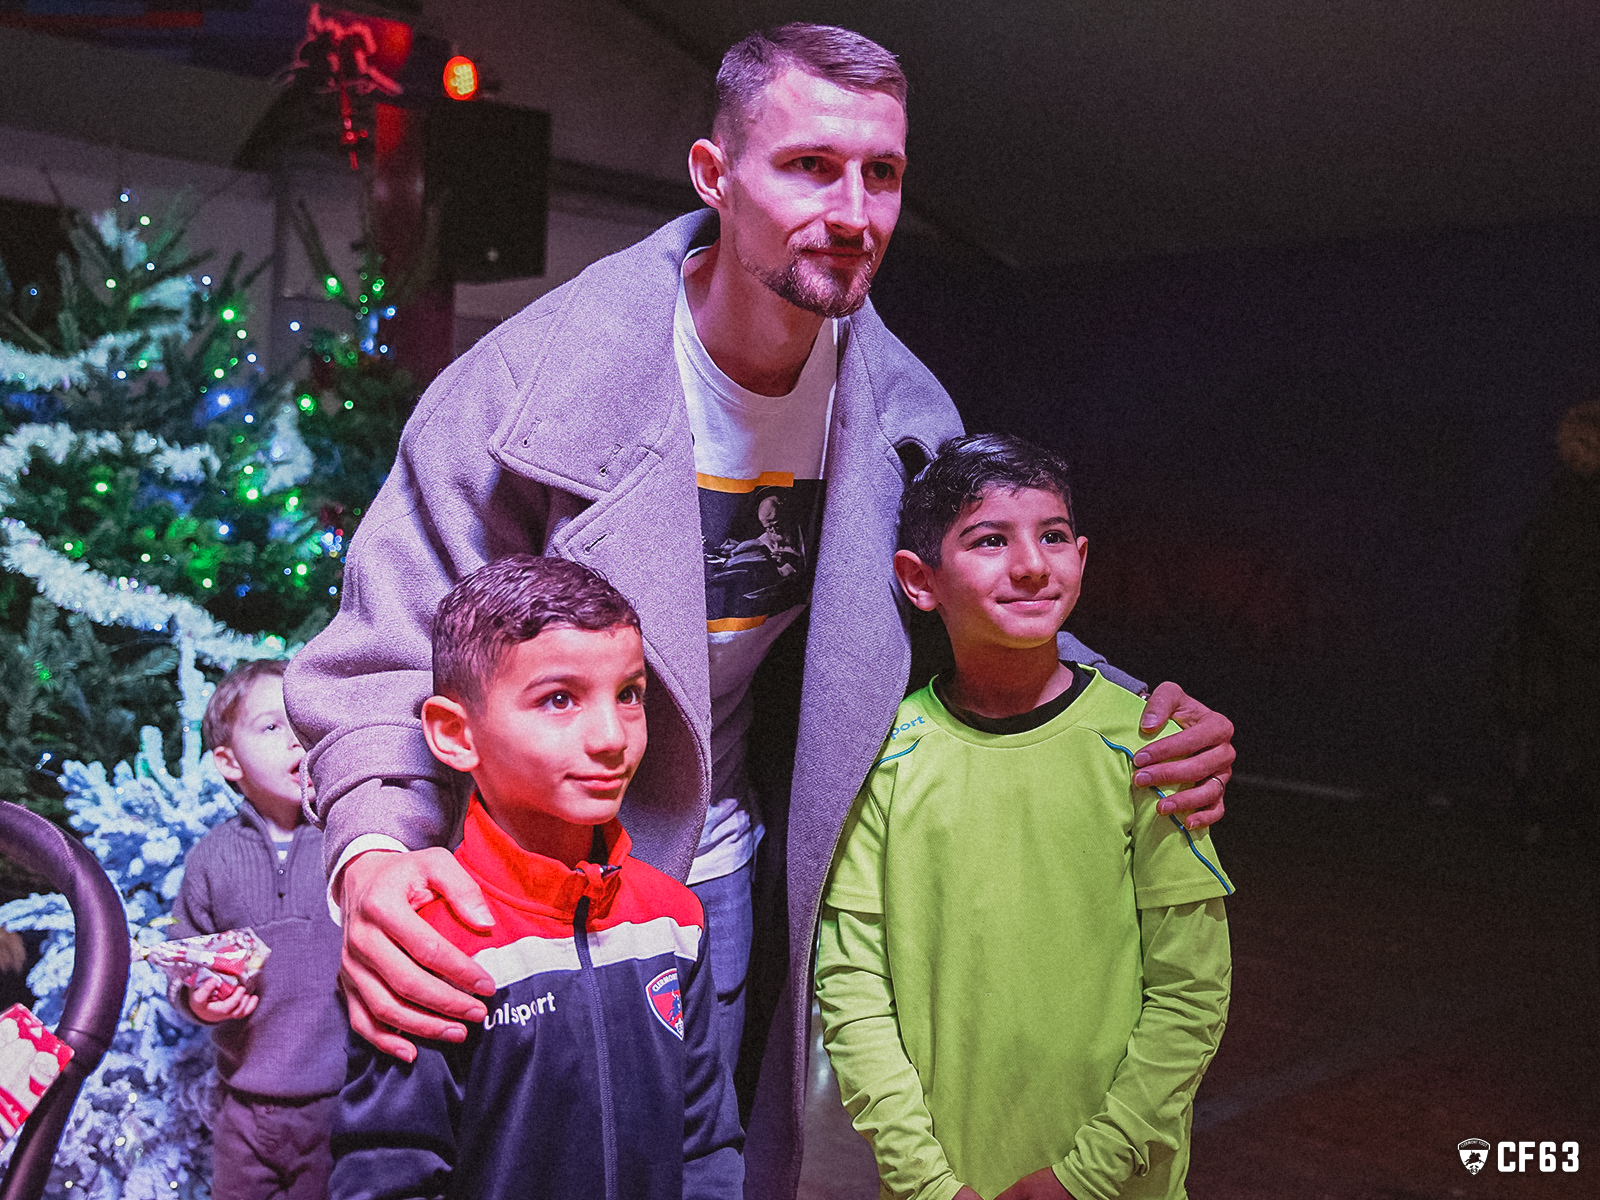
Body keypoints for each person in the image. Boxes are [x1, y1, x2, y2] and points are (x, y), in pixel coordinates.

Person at [284, 23, 1237, 1197]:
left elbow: (980, 585)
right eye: (806, 166)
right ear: (713, 175)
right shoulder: (528, 386)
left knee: (711, 1162)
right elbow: (382, 652)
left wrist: (1138, 715)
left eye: (879, 174)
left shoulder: (901, 405)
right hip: (525, 886)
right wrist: (375, 858)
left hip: (729, 866)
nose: (852, 211)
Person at [816, 434, 1233, 1200]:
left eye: (1051, 536)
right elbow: (852, 985)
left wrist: (1086, 1175)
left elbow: (1191, 992)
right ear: (918, 580)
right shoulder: (883, 758)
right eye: (988, 540)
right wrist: (928, 1184)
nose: (1032, 564)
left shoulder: (1151, 749)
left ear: (1081, 555)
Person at [329, 555, 742, 1200]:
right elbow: (390, 1172)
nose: (612, 737)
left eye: (629, 694)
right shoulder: (427, 941)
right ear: (455, 733)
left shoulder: (674, 917)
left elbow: (707, 1143)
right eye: (559, 699)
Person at [169, 659, 344, 1200]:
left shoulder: (351, 838)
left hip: (342, 1102)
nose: (297, 743)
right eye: (272, 728)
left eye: (303, 725)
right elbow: (185, 958)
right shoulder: (210, 859)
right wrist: (199, 1001)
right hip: (243, 1110)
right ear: (228, 761)